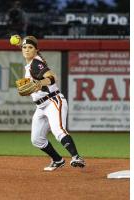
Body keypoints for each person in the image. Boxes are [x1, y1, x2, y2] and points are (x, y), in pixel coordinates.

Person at [18, 35, 86, 171]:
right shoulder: (30, 64)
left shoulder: (36, 64)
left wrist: (40, 83)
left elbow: (52, 77)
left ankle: (76, 157)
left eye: (30, 48)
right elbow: (29, 48)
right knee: (36, 139)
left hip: (52, 101)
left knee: (58, 130)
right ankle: (57, 160)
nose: (26, 50)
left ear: (36, 50)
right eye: (24, 47)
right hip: (41, 106)